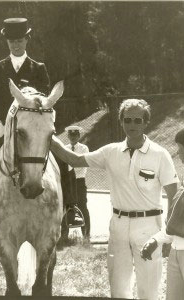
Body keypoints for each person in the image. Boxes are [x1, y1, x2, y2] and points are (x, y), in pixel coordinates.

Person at [50, 98, 178, 299]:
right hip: (118, 226)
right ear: (121, 121)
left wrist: (167, 235)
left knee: (148, 291)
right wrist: (49, 137)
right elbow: (73, 159)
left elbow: (174, 195)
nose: (132, 125)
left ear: (146, 122)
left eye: (138, 120)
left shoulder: (160, 155)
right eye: (128, 120)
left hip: (149, 227)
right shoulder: (110, 152)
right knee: (118, 289)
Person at [0, 17, 83, 234]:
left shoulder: (38, 68)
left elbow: (45, 96)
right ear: (7, 42)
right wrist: (8, 118)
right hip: (6, 123)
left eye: (20, 40)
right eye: (12, 41)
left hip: (34, 125)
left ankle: (71, 207)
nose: (16, 44)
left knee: (64, 158)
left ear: (27, 40)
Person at [141, 128, 184, 300]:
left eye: (182, 149)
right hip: (176, 252)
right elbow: (177, 221)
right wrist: (156, 240)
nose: (179, 154)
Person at [65, 125, 90, 239]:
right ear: (68, 136)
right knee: (66, 206)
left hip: (79, 181)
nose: (73, 137)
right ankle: (64, 235)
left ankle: (86, 234)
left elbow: (81, 164)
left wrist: (70, 166)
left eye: (75, 135)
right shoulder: (64, 148)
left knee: (82, 206)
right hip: (68, 182)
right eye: (71, 135)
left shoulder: (84, 148)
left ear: (79, 136)